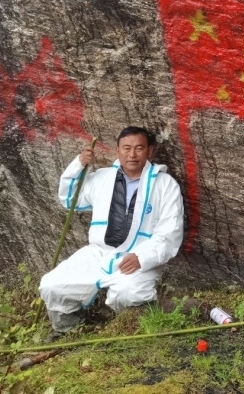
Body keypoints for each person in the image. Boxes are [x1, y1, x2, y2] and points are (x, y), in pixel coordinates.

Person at [39, 126, 184, 337]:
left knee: (129, 292)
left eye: (139, 148)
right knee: (52, 284)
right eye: (126, 148)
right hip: (98, 253)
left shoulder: (165, 185)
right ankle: (68, 329)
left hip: (136, 257)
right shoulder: (102, 178)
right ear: (117, 151)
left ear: (150, 151)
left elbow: (170, 232)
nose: (132, 154)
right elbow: (70, 200)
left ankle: (130, 327)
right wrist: (79, 165)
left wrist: (142, 257)